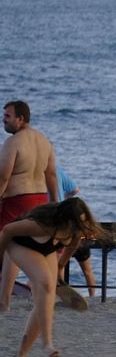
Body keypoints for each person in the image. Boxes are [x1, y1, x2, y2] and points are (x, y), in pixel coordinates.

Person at [1, 197, 103, 357]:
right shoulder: (40, 224)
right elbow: (7, 230)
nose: (81, 227)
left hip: (48, 248)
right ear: (65, 220)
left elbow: (72, 246)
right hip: (20, 244)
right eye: (77, 223)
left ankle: (21, 355)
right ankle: (47, 344)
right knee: (46, 283)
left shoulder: (78, 228)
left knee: (48, 297)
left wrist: (61, 266)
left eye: (83, 222)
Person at [0, 101, 60, 311]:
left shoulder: (13, 142)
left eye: (7, 116)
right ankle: (13, 296)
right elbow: (51, 175)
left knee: (10, 246)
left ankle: (5, 300)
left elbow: (4, 175)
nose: (4, 119)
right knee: (27, 247)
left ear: (20, 119)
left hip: (17, 202)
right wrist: (55, 205)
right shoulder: (45, 142)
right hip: (40, 202)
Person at [53, 168, 98, 299]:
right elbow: (75, 190)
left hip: (62, 231)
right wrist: (65, 197)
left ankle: (59, 292)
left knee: (58, 265)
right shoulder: (57, 171)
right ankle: (92, 296)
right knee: (87, 271)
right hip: (77, 237)